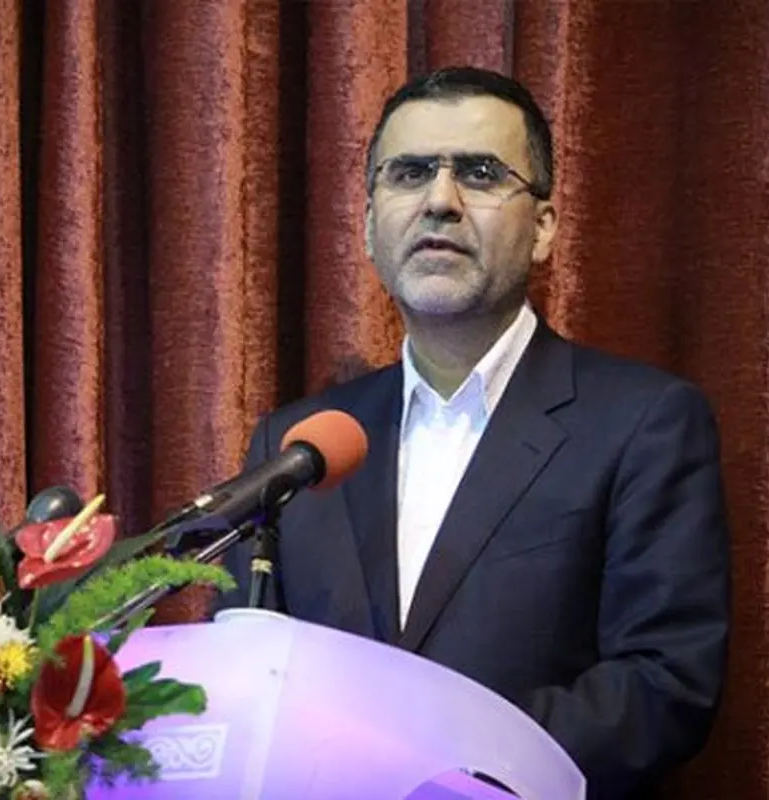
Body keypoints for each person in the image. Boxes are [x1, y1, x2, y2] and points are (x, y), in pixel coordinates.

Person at [217, 66, 730, 800]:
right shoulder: (300, 447)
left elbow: (663, 685)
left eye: (481, 174)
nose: (440, 201)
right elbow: (248, 681)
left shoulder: (643, 422)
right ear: (368, 225)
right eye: (410, 173)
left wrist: (437, 769)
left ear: (544, 227)